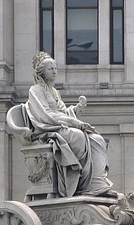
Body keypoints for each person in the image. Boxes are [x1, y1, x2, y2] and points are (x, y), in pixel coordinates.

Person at [26, 51, 116, 198]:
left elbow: (63, 111)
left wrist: (76, 109)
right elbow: (46, 115)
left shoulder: (54, 91)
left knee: (97, 139)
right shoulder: (35, 90)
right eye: (51, 69)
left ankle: (96, 182)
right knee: (79, 136)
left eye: (55, 68)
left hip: (62, 126)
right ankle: (80, 184)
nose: (55, 72)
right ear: (41, 72)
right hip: (49, 129)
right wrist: (74, 122)